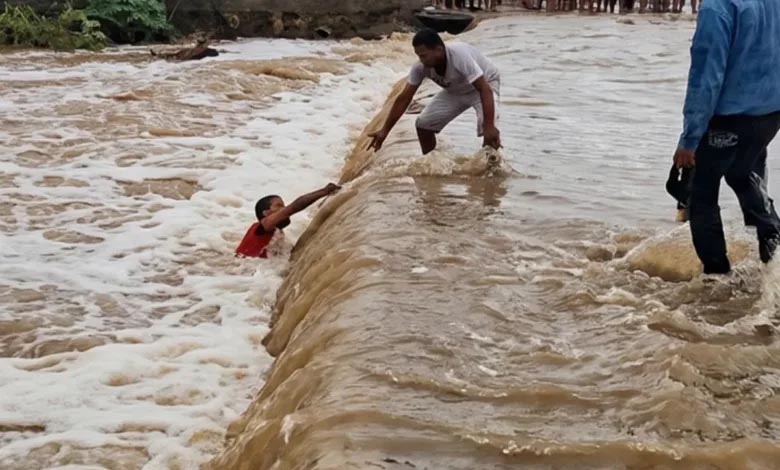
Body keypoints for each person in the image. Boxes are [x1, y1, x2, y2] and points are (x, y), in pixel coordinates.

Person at [673, 0, 780, 274]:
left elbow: (706, 77)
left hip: (728, 119)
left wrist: (689, 139)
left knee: (702, 193)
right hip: (769, 116)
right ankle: (774, 254)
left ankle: (717, 276)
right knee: (742, 175)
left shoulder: (717, 6)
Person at [368, 29, 501, 155]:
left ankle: (491, 168)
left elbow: (484, 89)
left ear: (439, 50)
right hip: (455, 90)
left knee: (488, 128)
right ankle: (431, 161)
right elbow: (404, 98)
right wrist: (384, 131)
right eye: (418, 56)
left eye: (424, 55)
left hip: (485, 84)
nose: (421, 60)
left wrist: (488, 126)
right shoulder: (420, 67)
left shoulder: (459, 56)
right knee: (423, 124)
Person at [235, 183, 340, 258]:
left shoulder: (273, 231)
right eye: (279, 206)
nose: (283, 209)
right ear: (266, 213)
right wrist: (324, 191)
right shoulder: (264, 225)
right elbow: (294, 207)